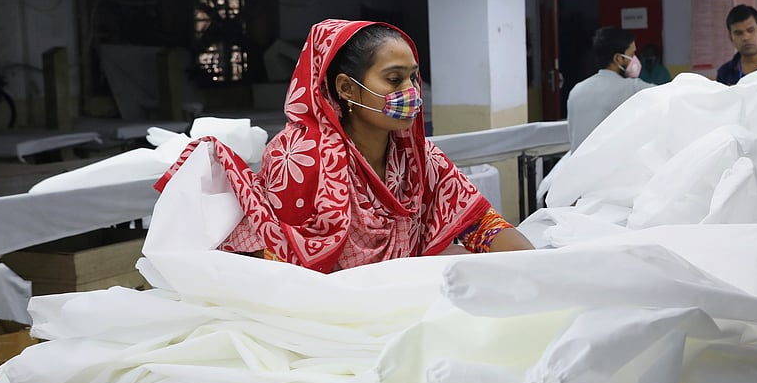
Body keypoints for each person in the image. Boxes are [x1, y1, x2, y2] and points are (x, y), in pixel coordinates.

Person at [156, 19, 533, 273]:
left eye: (414, 78)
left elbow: (481, 225)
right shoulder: (302, 159)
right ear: (347, 89)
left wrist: (543, 269)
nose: (412, 93)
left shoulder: (418, 158)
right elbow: (282, 267)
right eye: (394, 80)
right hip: (321, 306)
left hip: (393, 297)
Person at [566, 26, 652, 151]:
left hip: (579, 163)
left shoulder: (576, 91)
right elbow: (670, 94)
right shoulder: (633, 88)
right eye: (632, 54)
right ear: (618, 58)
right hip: (613, 163)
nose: (635, 60)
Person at [716, 4, 757, 85]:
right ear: (730, 37)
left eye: (751, 30)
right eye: (738, 33)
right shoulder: (725, 73)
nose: (745, 37)